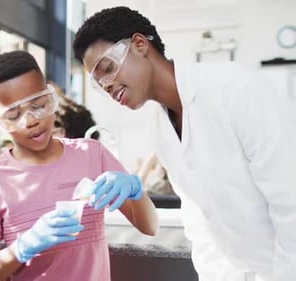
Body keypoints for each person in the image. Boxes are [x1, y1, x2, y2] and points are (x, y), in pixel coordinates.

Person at [73, 6, 296, 281]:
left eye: (107, 68)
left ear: (140, 44)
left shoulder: (236, 89)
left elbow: (290, 203)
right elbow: (201, 223)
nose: (107, 85)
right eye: (99, 84)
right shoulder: (160, 125)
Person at [0, 50, 158, 281]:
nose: (31, 121)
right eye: (13, 115)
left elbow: (150, 226)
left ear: (51, 98)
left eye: (39, 105)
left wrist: (135, 190)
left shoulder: (91, 154)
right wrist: (23, 247)